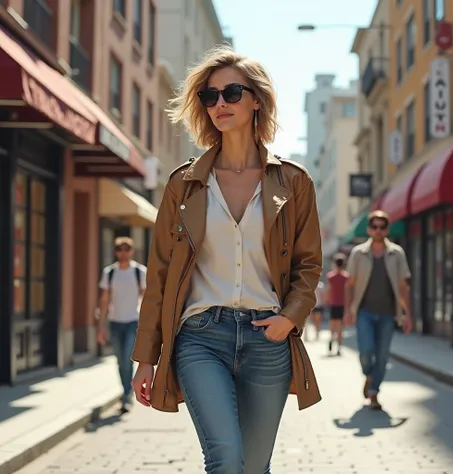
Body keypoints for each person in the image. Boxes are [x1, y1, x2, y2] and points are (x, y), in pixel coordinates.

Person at [130, 45, 323, 473]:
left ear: (256, 99)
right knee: (226, 460)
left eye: (232, 93)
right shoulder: (184, 184)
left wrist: (289, 318)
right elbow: (160, 273)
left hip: (267, 338)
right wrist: (146, 357)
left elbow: (309, 265)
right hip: (200, 337)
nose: (220, 104)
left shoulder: (293, 182)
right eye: (209, 96)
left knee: (253, 467)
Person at [344, 210, 412, 410]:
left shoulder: (397, 253)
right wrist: (349, 310)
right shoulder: (358, 253)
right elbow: (350, 284)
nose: (378, 230)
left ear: (387, 229)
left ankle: (374, 392)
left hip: (387, 314)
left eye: (382, 227)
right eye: (374, 226)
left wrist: (407, 314)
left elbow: (403, 286)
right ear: (368, 229)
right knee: (366, 351)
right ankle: (369, 375)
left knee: (382, 355)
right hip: (364, 312)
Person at [97, 236, 147, 413]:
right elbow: (104, 300)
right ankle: (126, 391)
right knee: (120, 361)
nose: (123, 253)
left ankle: (126, 395)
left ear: (132, 251)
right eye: (120, 249)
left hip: (133, 321)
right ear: (116, 252)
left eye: (127, 249)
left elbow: (147, 298)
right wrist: (100, 326)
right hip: (115, 322)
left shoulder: (139, 272)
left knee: (127, 359)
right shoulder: (109, 273)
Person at [326, 253, 349, 356]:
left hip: (333, 303)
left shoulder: (330, 276)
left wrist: (326, 300)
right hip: (343, 304)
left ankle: (332, 337)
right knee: (340, 327)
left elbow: (329, 290)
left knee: (333, 325)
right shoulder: (346, 277)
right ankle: (339, 347)